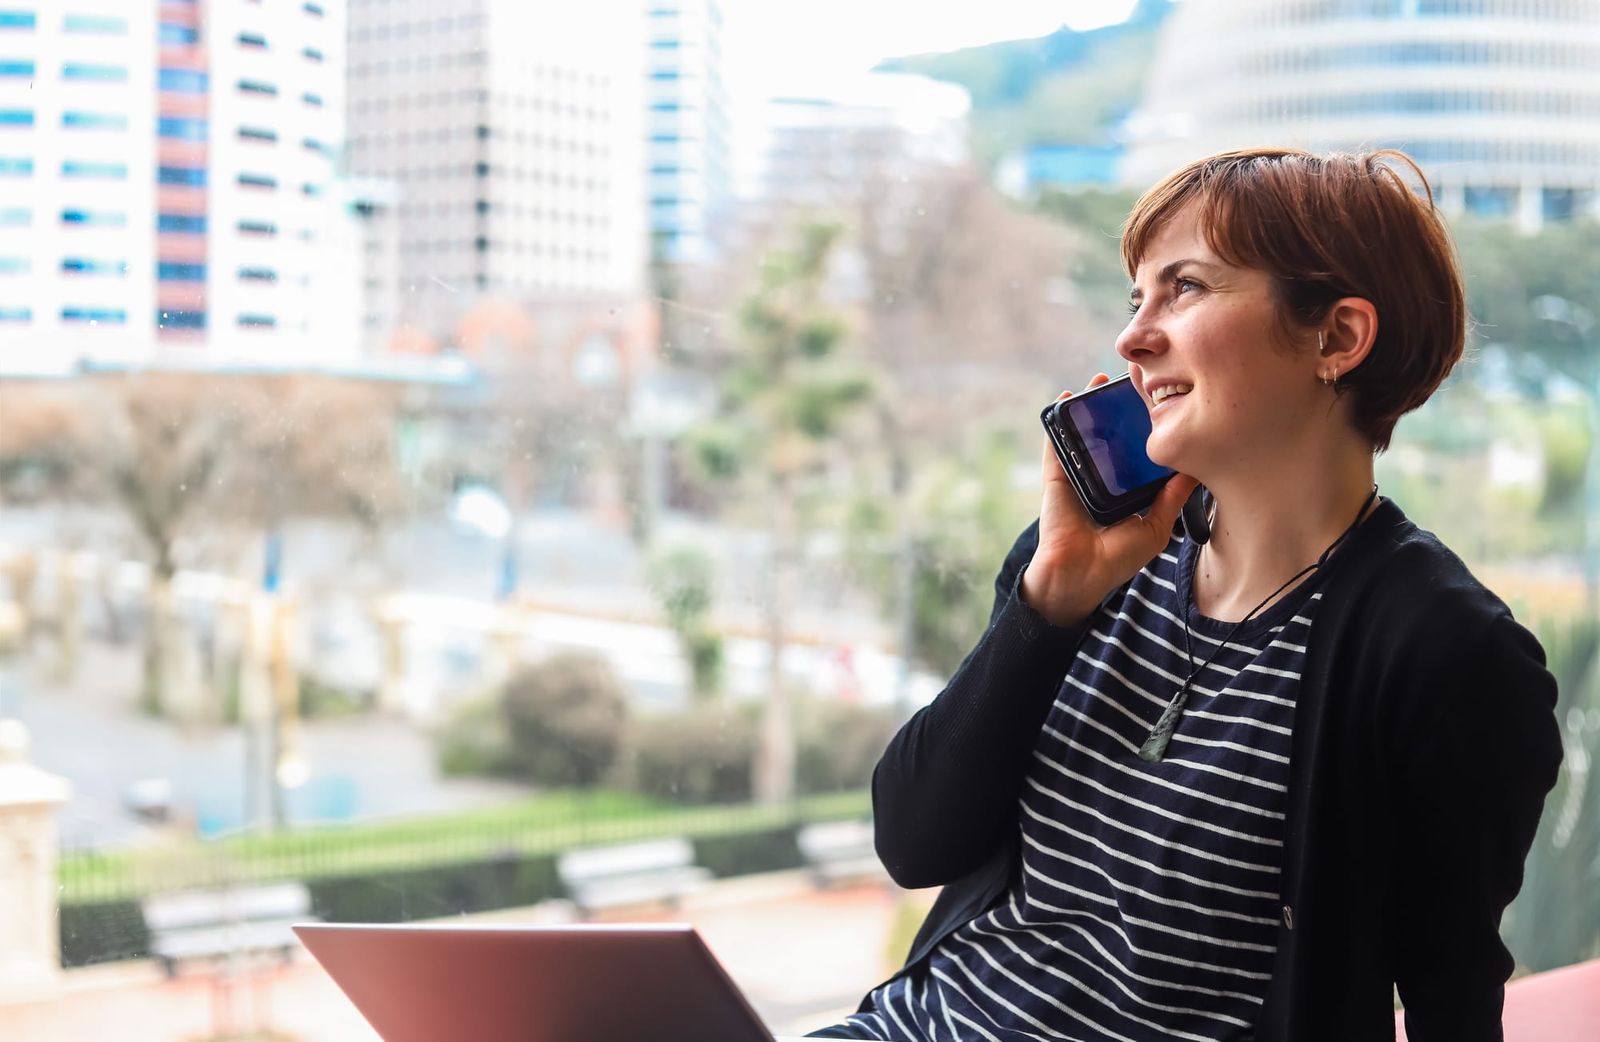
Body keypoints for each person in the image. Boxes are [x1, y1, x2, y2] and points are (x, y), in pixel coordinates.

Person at [806, 148, 1564, 1042]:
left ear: (1337, 338)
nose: (1132, 338)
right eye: (1137, 298)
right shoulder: (1087, 567)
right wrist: (1045, 609)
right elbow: (914, 844)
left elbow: (1452, 991)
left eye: (1187, 288)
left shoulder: (1445, 651)